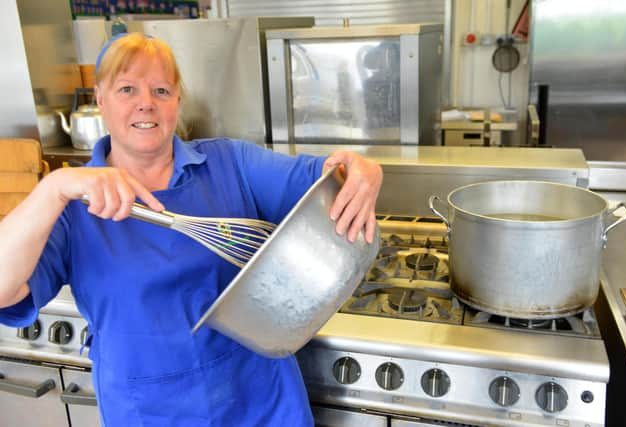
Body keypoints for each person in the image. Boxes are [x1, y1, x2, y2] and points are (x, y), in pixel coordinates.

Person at [0, 33, 382, 426]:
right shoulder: (73, 205)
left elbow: (328, 181)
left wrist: (362, 171)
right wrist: (51, 189)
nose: (146, 102)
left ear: (177, 100)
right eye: (127, 88)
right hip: (149, 412)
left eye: (161, 90)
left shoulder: (231, 164)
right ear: (100, 99)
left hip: (261, 404)